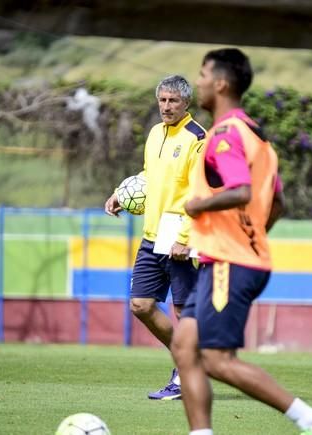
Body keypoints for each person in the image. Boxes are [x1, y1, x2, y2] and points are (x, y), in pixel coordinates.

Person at [170, 48, 312, 435]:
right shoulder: (257, 136)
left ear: (221, 83)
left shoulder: (225, 135)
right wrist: (252, 236)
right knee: (184, 346)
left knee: (217, 360)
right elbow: (276, 202)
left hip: (230, 261)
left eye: (202, 74)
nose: (198, 82)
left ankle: (309, 419)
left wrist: (198, 205)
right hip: (236, 257)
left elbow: (240, 190)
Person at [104, 75, 205, 400]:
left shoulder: (197, 138)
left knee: (182, 311)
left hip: (181, 234)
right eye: (162, 100)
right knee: (141, 304)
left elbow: (201, 191)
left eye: (173, 101)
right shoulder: (154, 133)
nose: (166, 106)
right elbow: (151, 175)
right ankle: (187, 363)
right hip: (152, 233)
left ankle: (185, 376)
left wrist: (186, 236)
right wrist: (123, 192)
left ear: (186, 103)